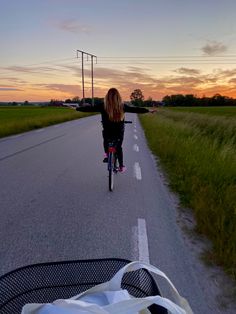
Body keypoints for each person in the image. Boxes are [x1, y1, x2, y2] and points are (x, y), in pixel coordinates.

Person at [76, 88, 156, 172]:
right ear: (118, 97)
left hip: (107, 131)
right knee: (118, 148)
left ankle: (107, 155)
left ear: (107, 96)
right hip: (118, 132)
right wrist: (148, 110)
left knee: (106, 140)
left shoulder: (103, 105)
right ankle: (121, 166)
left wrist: (77, 109)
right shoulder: (122, 106)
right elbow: (135, 109)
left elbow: (89, 109)